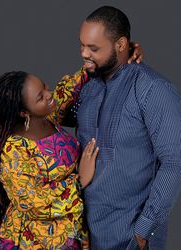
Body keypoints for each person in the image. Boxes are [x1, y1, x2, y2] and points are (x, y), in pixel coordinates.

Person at [0, 44, 142, 250]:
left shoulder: (49, 113)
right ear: (23, 112)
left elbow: (74, 83)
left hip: (69, 233)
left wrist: (118, 52)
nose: (49, 95)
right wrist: (80, 181)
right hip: (32, 241)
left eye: (45, 87)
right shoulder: (14, 150)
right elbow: (33, 201)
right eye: (40, 97)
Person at [71, 5, 181, 250]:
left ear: (121, 45)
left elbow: (174, 162)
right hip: (85, 237)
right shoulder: (88, 89)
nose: (84, 53)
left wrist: (143, 232)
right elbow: (51, 113)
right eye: (82, 45)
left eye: (93, 48)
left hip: (131, 239)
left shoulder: (153, 89)